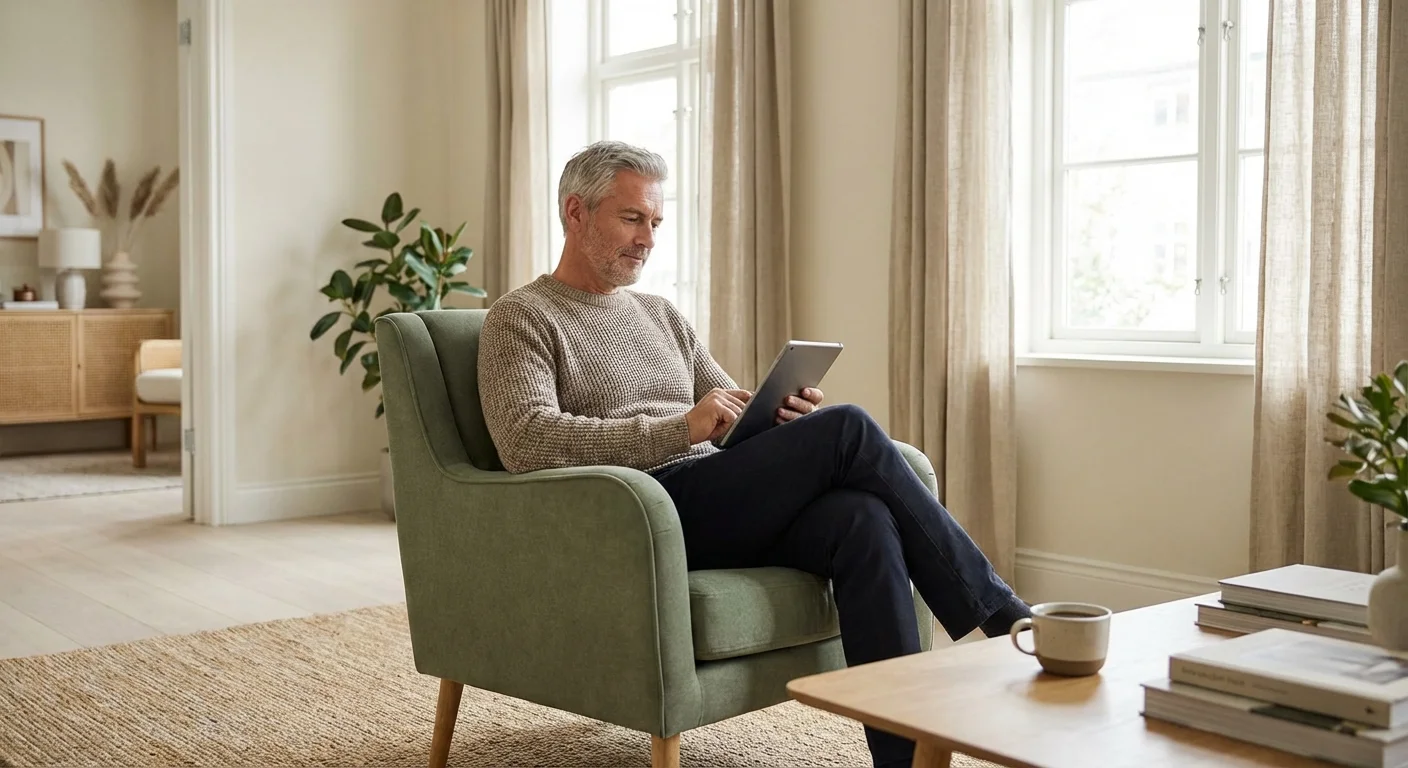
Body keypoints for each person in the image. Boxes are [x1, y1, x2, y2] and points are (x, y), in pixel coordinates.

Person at [477, 140, 1029, 768]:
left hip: (714, 498)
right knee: (846, 429)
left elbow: (728, 415)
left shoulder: (662, 315)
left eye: (655, 222)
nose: (648, 238)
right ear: (575, 213)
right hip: (636, 514)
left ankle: (901, 764)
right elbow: (528, 443)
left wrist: (776, 417)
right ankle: (1005, 616)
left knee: (862, 521)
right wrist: (682, 429)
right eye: (631, 218)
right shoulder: (521, 316)